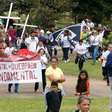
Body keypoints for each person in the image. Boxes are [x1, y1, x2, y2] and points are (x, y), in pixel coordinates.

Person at [105, 43, 112, 111]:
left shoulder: (110, 55)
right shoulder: (110, 55)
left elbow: (108, 65)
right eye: (109, 47)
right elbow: (108, 65)